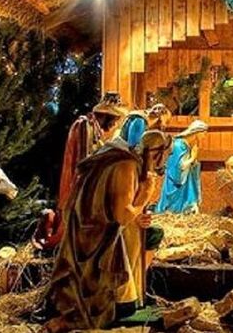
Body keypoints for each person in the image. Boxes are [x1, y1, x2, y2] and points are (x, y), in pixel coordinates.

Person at [45, 130, 172, 332]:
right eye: (167, 155)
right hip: (98, 236)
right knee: (143, 240)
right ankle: (122, 300)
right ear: (157, 153)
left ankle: (134, 295)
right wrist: (146, 194)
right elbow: (122, 215)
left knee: (151, 235)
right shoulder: (127, 165)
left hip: (96, 227)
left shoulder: (127, 161)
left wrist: (138, 215)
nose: (166, 161)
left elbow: (116, 206)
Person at [32, 92, 128, 250]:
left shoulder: (94, 129)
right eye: (115, 119)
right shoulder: (84, 125)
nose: (115, 124)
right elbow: (84, 161)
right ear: (108, 116)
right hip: (79, 185)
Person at [155, 120, 208, 214]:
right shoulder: (178, 146)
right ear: (197, 132)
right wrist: (192, 159)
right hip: (176, 187)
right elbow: (178, 168)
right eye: (204, 133)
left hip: (185, 186)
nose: (204, 137)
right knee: (175, 211)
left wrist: (193, 163)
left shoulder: (186, 146)